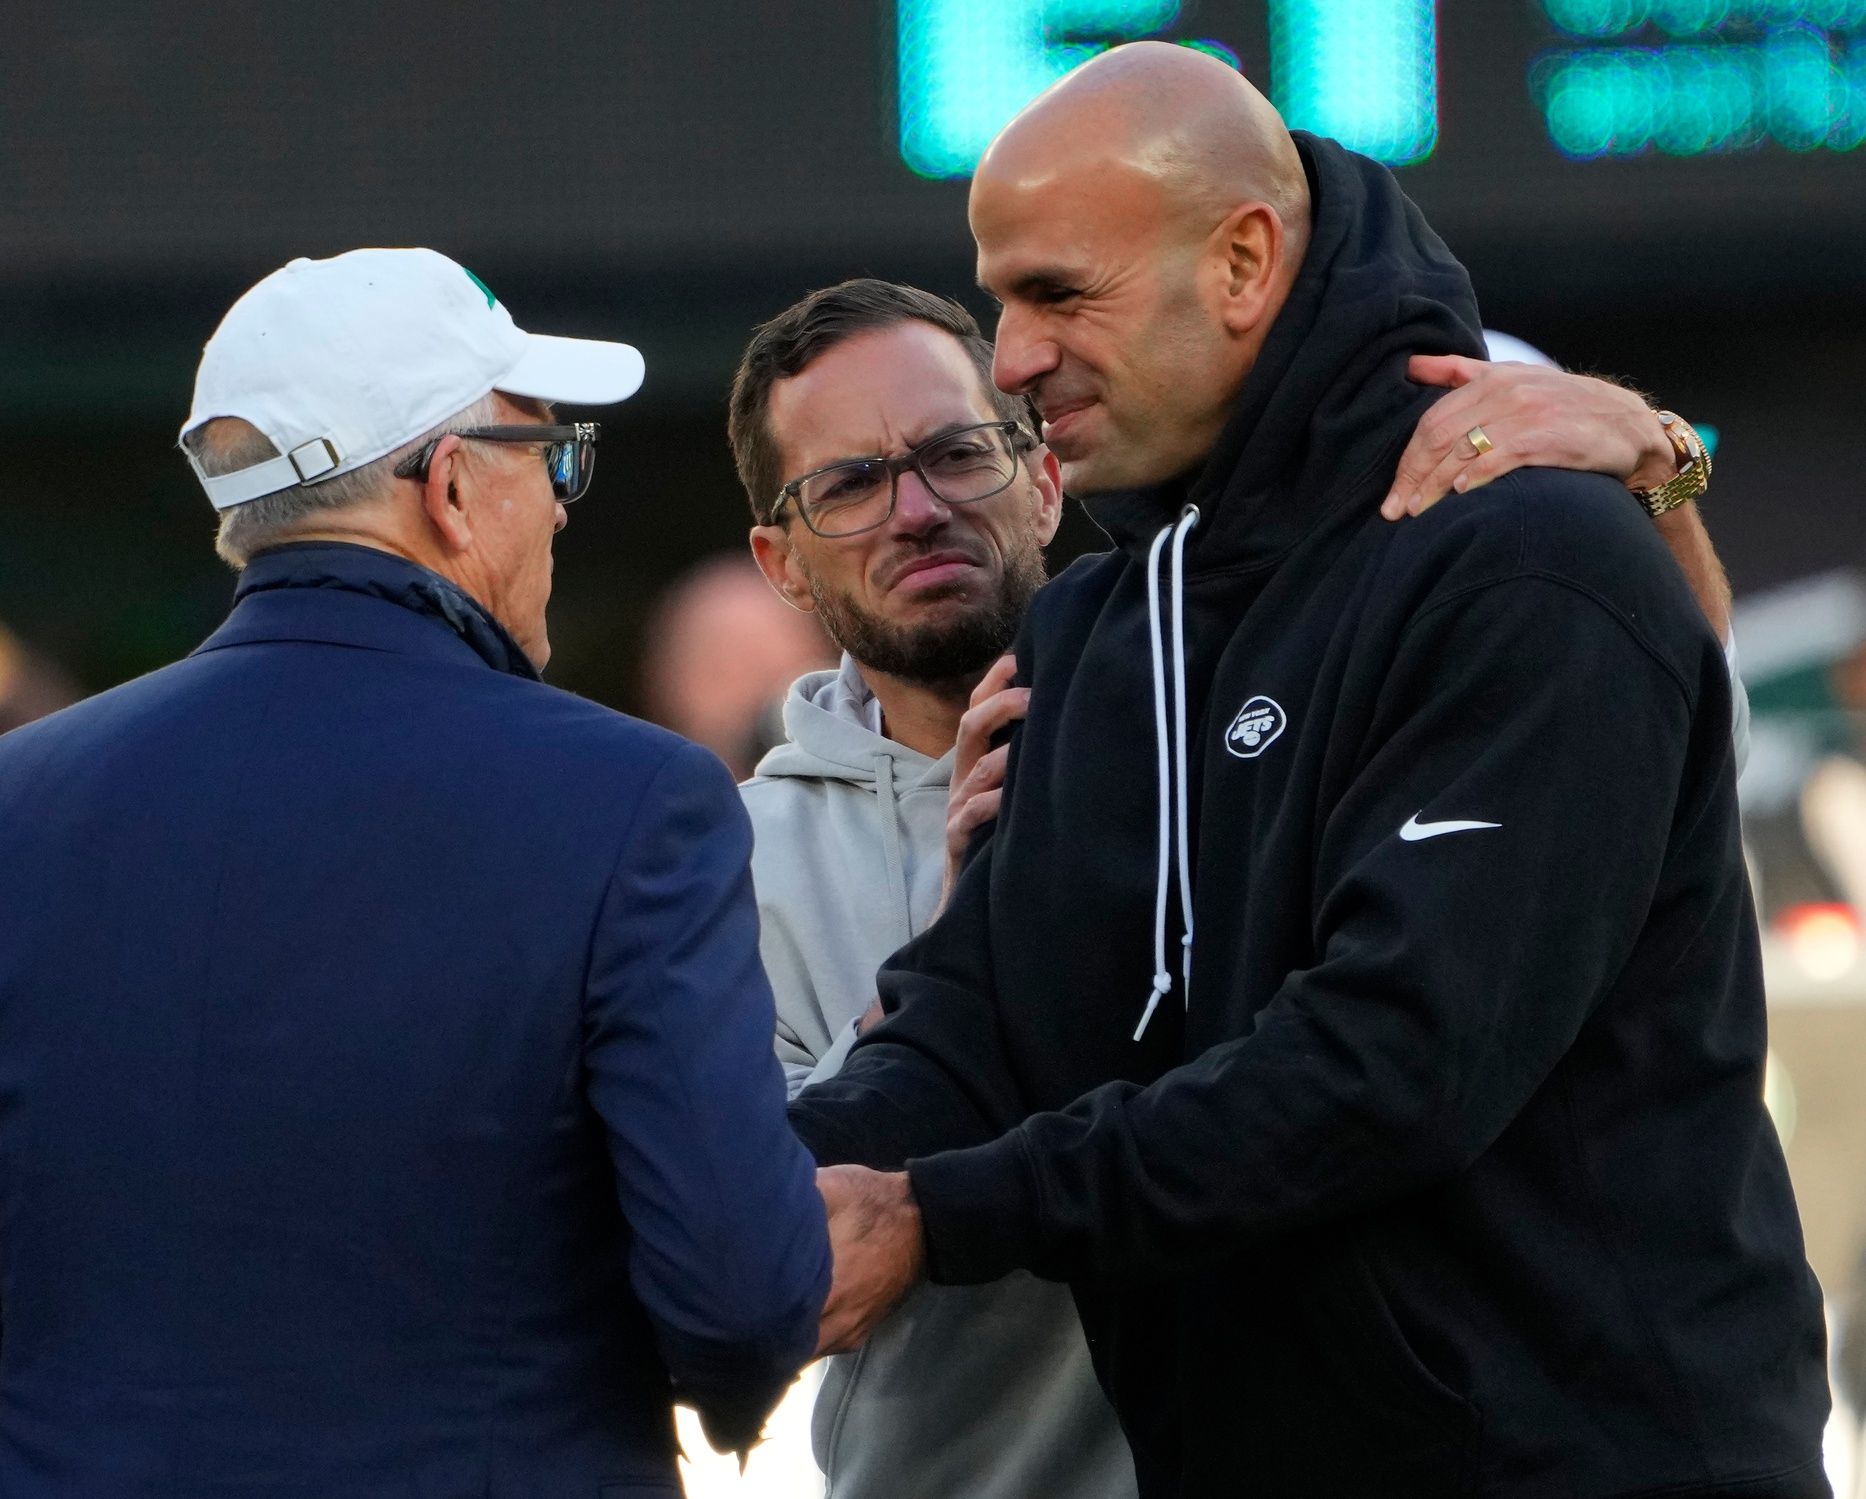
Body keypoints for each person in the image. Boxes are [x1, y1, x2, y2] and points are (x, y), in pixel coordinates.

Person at [787, 46, 1829, 1499]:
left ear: (1242, 260)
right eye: (996, 299)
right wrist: (749, 1191)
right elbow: (978, 1019)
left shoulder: (1531, 554)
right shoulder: (1098, 624)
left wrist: (932, 1211)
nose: (1008, 356)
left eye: (1055, 292)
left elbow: (1393, 1064)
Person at [0, 247, 829, 1497]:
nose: (559, 503)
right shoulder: (633, 802)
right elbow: (738, 1302)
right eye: (549, 459)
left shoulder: (21, 803)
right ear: (449, 486)